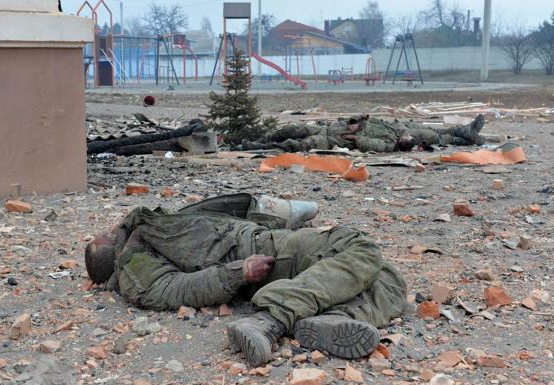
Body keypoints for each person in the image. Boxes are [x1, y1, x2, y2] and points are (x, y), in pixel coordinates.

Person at [84, 194, 407, 367]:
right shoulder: (133, 262)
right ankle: (271, 318)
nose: (107, 230)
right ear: (105, 250)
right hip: (268, 254)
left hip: (267, 243)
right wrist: (239, 272)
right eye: (103, 236)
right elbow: (173, 289)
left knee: (387, 281)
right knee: (361, 248)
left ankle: (332, 318)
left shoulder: (150, 228)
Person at [243, 114, 485, 153]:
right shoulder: (397, 131)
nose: (407, 137)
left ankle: (256, 147)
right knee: (291, 129)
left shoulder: (390, 143)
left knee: (295, 143)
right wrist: (356, 123)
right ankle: (466, 133)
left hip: (331, 138)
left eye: (408, 140)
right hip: (332, 127)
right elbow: (368, 118)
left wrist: (357, 137)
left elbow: (374, 145)